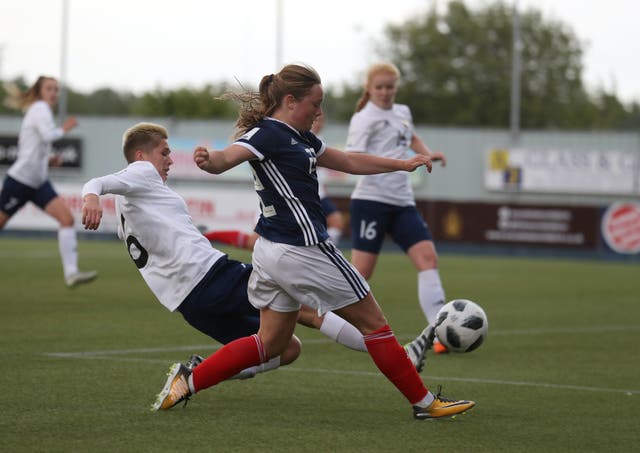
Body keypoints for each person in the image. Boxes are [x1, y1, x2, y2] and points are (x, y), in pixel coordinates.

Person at [155, 64, 475, 420]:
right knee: (375, 324)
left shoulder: (301, 136)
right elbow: (229, 156)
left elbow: (349, 160)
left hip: (272, 253)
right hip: (304, 249)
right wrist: (210, 161)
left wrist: (401, 164)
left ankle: (188, 381)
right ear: (290, 101)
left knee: (270, 342)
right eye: (315, 104)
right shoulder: (268, 134)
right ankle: (425, 403)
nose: (320, 112)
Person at [79, 122, 429, 409]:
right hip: (210, 276)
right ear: (141, 155)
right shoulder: (141, 173)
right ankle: (405, 356)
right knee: (309, 310)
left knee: (285, 349)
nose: (170, 160)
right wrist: (92, 197)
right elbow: (97, 182)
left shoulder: (134, 199)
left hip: (187, 302)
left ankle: (194, 375)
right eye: (164, 153)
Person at [345, 62, 449, 354]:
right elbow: (353, 159)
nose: (385, 92)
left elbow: (411, 136)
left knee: (428, 259)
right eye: (379, 87)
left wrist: (427, 154)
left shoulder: (402, 111)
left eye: (390, 86)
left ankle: (439, 333)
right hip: (371, 202)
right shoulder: (364, 119)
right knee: (360, 274)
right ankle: (324, 315)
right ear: (369, 88)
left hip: (402, 202)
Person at [0, 76, 97, 287]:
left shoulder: (39, 110)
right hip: (20, 180)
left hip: (38, 182)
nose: (54, 93)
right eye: (49, 88)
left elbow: (33, 145)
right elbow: (46, 136)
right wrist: (66, 128)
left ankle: (71, 273)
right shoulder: (40, 108)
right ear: (39, 91)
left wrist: (48, 159)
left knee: (67, 219)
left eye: (56, 89)